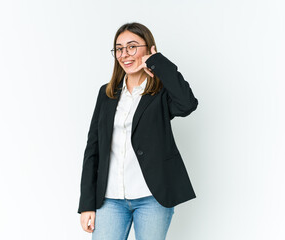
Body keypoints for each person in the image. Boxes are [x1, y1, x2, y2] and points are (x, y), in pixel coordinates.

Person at [78, 22, 198, 240]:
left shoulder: (161, 93)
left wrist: (158, 62)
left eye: (132, 46)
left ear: (148, 48)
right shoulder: (107, 94)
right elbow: (93, 149)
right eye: (119, 48)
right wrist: (86, 204)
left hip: (152, 197)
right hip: (110, 198)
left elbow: (187, 104)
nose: (125, 54)